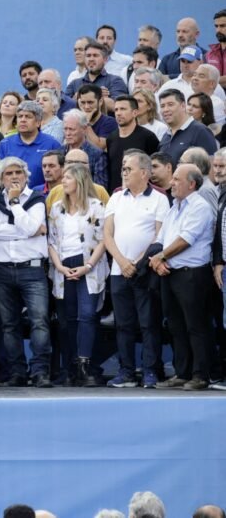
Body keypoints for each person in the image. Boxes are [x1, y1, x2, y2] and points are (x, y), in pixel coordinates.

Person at [0, 157, 52, 387]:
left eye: (18, 173)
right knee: (9, 324)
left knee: (39, 321)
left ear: (26, 176)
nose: (14, 177)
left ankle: (40, 371)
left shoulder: (36, 199)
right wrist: (27, 229)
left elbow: (35, 227)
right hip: (2, 270)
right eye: (8, 174)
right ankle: (17, 372)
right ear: (1, 178)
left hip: (31, 269)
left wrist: (14, 205)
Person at [105, 151, 169, 389]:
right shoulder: (116, 197)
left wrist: (137, 263)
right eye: (122, 167)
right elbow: (107, 234)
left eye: (128, 168)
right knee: (123, 325)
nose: (124, 172)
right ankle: (126, 371)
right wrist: (122, 262)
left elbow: (158, 235)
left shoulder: (160, 199)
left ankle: (151, 371)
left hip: (145, 272)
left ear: (144, 173)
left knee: (148, 323)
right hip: (118, 271)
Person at [149, 164, 216, 390]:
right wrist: (159, 261)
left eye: (177, 179)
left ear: (192, 183)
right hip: (170, 272)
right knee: (176, 326)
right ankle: (182, 372)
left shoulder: (200, 206)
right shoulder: (174, 206)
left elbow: (185, 239)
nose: (172, 183)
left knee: (195, 326)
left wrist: (160, 256)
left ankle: (200, 375)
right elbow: (164, 238)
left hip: (192, 275)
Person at [48, 164, 108, 386]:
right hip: (63, 266)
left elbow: (104, 239)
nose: (63, 181)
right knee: (67, 319)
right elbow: (52, 242)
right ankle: (70, 366)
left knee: (87, 315)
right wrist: (59, 267)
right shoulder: (56, 208)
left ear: (80, 181)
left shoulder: (96, 207)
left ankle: (85, 364)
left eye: (67, 178)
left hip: (89, 265)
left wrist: (89, 265)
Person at [0, 100, 62, 189]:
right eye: (20, 116)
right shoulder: (5, 144)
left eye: (28, 117)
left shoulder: (52, 144)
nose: (23, 120)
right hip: (10, 195)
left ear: (38, 122)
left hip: (42, 196)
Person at [106, 95, 160, 191]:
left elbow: (154, 168)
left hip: (141, 194)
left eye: (123, 109)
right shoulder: (111, 138)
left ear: (135, 112)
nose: (118, 113)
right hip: (115, 195)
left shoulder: (148, 137)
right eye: (116, 110)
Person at [65, 42, 129, 112]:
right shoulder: (74, 84)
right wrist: (98, 94)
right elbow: (64, 107)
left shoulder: (115, 81)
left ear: (105, 60)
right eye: (88, 56)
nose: (91, 59)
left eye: (95, 55)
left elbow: (118, 106)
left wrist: (80, 97)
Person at [158, 89, 218, 162]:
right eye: (162, 106)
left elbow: (211, 165)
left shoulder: (201, 131)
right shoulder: (166, 136)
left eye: (170, 104)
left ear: (183, 106)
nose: (165, 109)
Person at [62, 109, 107, 187]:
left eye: (72, 129)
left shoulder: (97, 155)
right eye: (65, 129)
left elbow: (100, 188)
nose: (68, 133)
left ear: (84, 129)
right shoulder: (59, 152)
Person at [76, 83, 118, 150]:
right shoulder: (75, 121)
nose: (86, 107)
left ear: (100, 101)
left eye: (90, 102)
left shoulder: (109, 122)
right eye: (83, 103)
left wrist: (86, 123)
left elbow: (99, 148)